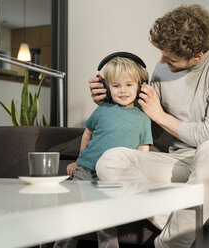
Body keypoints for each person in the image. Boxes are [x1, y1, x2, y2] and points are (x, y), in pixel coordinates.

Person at [89, 4, 209, 248]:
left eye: (169, 58)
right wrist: (107, 99)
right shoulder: (163, 67)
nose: (161, 61)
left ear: (198, 56)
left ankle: (170, 244)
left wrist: (160, 116)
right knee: (109, 160)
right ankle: (181, 228)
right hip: (181, 159)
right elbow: (140, 114)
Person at [54, 55, 153, 248]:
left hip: (112, 176)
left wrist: (141, 176)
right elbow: (87, 133)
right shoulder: (101, 110)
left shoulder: (143, 118)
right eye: (116, 86)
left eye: (129, 85)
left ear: (140, 87)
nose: (122, 90)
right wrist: (79, 159)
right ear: (107, 88)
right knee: (73, 214)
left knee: (105, 220)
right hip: (85, 169)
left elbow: (143, 149)